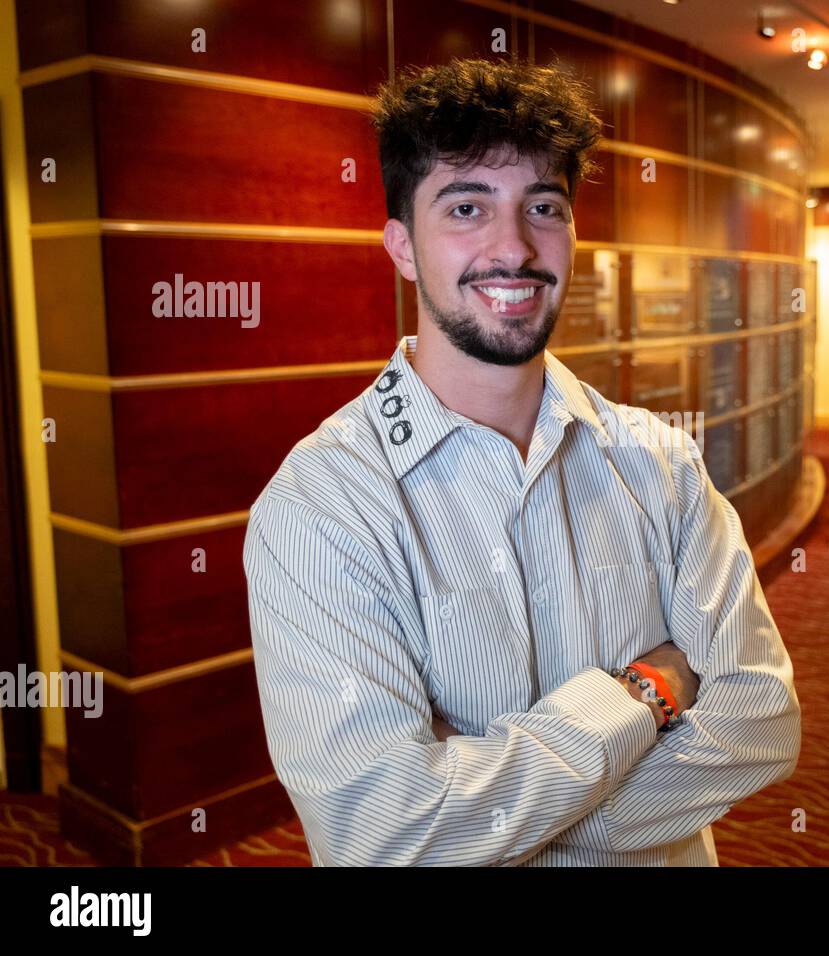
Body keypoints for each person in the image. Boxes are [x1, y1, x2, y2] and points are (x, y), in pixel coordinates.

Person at [241, 58, 800, 866]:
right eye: (466, 207)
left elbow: (762, 721)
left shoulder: (660, 464)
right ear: (402, 245)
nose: (513, 246)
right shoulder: (323, 505)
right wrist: (645, 694)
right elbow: (382, 836)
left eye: (543, 206)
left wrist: (513, 827)